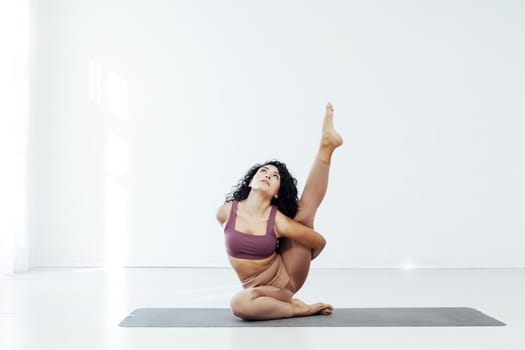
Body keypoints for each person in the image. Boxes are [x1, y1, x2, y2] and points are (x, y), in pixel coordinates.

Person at [216, 102, 343, 320]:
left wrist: (300, 256)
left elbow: (319, 242)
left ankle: (326, 146)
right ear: (250, 181)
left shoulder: (279, 222)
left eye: (275, 177)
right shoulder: (226, 212)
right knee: (242, 302)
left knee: (303, 216)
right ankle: (293, 308)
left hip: (285, 280)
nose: (268, 175)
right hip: (257, 290)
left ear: (276, 192)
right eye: (263, 171)